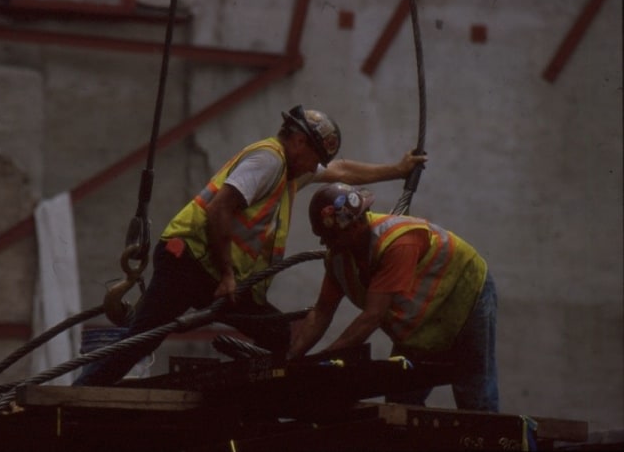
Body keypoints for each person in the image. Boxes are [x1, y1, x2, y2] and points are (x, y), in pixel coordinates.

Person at [74, 105, 426, 386]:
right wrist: (228, 273)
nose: (315, 167)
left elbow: (342, 170)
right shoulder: (268, 160)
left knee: (276, 333)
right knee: (142, 338)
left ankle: (257, 400)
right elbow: (219, 208)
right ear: (299, 142)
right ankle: (80, 392)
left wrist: (397, 170)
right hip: (191, 261)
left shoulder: (288, 169)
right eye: (314, 156)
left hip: (213, 273)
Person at [288, 182, 498, 412]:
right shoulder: (339, 257)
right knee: (401, 402)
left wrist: (323, 363)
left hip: (464, 299)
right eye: (325, 237)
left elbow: (372, 316)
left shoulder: (398, 243)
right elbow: (321, 312)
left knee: (474, 394)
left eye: (331, 237)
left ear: (355, 225)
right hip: (421, 324)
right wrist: (290, 359)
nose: (326, 244)